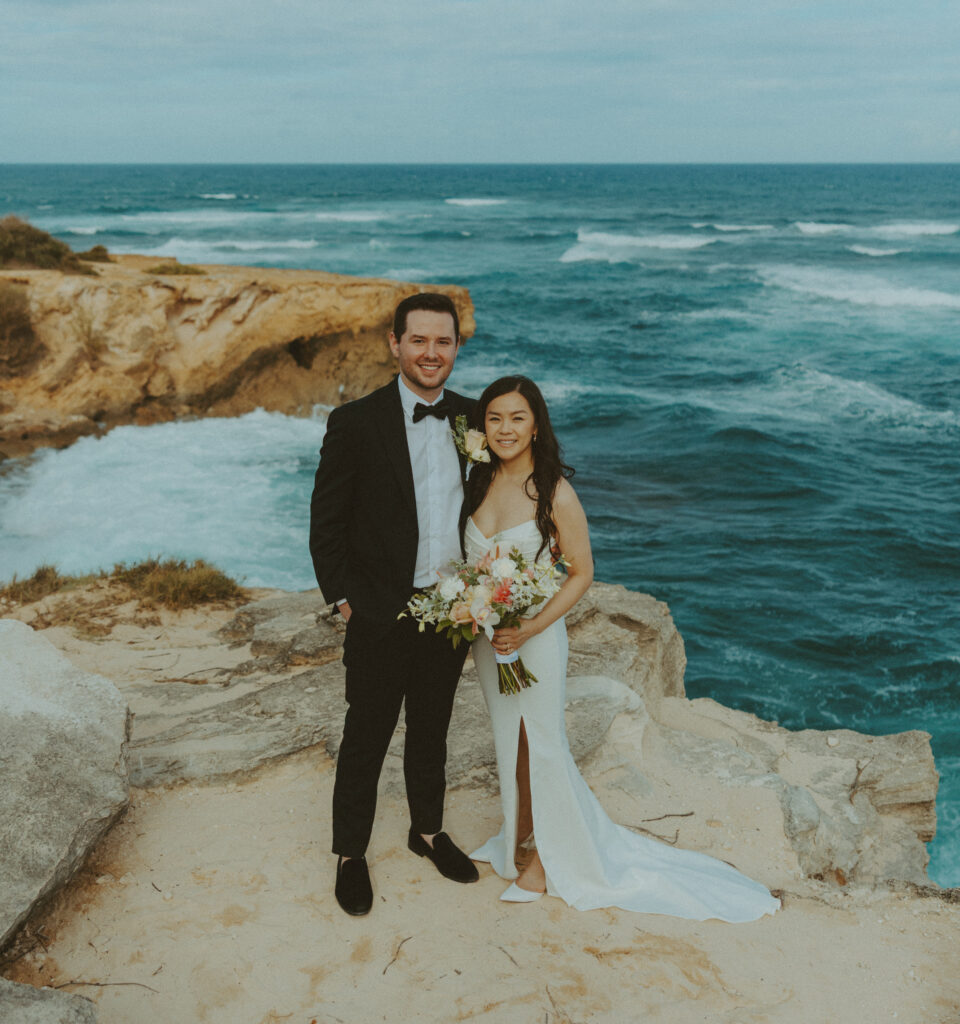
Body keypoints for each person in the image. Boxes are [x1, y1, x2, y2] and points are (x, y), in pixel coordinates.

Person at [462, 375, 779, 920]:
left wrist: (530, 627)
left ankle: (547, 862)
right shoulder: (478, 480)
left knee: (543, 742)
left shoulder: (554, 492)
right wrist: (471, 608)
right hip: (489, 640)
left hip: (534, 640)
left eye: (517, 418)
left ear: (536, 426)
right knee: (510, 739)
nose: (505, 429)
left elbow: (582, 573)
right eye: (494, 418)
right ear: (482, 427)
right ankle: (517, 835)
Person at [309, 292, 479, 917]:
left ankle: (427, 831)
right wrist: (345, 602)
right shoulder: (354, 422)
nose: (431, 353)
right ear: (395, 343)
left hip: (450, 611)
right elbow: (326, 521)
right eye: (419, 340)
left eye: (443, 342)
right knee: (366, 737)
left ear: (456, 347)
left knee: (432, 730)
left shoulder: (474, 419)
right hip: (379, 612)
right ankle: (350, 853)